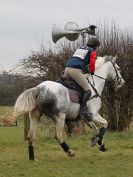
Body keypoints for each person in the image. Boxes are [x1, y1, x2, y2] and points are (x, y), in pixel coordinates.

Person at [64, 37, 100, 118]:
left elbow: (77, 59)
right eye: (97, 47)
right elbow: (92, 64)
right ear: (95, 46)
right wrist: (92, 72)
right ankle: (82, 110)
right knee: (88, 90)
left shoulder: (80, 48)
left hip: (66, 69)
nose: (97, 49)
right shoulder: (92, 51)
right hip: (75, 70)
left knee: (66, 86)